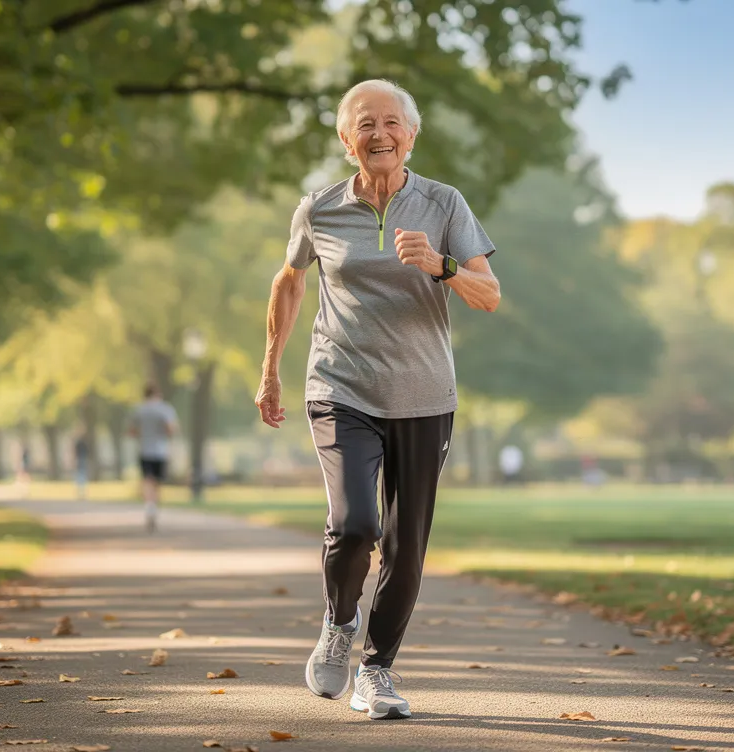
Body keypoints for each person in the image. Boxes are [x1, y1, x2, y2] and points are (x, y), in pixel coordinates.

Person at [256, 79, 501, 720]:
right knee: (356, 523)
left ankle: (377, 670)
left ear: (411, 136)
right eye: (365, 124)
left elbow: (490, 293)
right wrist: (271, 369)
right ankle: (340, 622)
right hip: (341, 386)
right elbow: (289, 281)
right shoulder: (320, 209)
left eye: (391, 123)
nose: (379, 134)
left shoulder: (444, 204)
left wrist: (441, 266)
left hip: (424, 395)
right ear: (346, 140)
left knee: (406, 543)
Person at [127, 384, 180, 532]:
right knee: (157, 482)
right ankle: (154, 507)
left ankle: (149, 507)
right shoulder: (165, 409)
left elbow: (131, 431)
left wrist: (143, 434)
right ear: (158, 393)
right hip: (161, 451)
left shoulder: (139, 410)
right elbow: (171, 429)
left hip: (145, 450)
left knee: (147, 480)